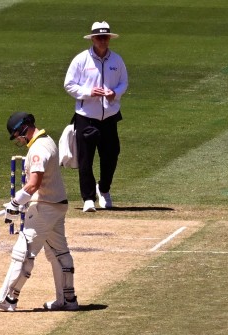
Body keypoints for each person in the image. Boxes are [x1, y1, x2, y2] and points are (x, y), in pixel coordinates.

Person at [0, 112, 80, 312]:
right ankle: (67, 300)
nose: (17, 139)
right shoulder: (47, 141)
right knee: (58, 253)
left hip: (44, 207)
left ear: (23, 129)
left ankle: (7, 299)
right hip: (57, 204)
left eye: (17, 135)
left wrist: (14, 202)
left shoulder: (37, 149)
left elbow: (34, 184)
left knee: (23, 253)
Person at [64, 22, 128, 212]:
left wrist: (114, 93)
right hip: (86, 116)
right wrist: (89, 92)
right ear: (92, 39)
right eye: (99, 37)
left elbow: (124, 83)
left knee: (111, 155)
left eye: (105, 37)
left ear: (109, 39)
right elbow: (69, 85)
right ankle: (88, 198)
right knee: (86, 159)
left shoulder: (117, 60)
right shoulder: (81, 60)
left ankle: (104, 189)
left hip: (109, 116)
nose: (102, 40)